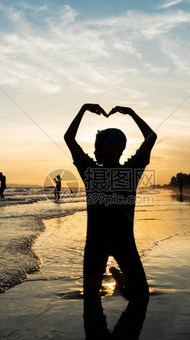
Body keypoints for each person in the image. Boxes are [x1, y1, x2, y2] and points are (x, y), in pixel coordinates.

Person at [64, 103, 157, 301]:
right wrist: (131, 113)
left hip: (118, 243)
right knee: (92, 298)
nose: (94, 152)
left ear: (112, 148)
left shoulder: (92, 171)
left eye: (98, 147)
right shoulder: (129, 171)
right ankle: (121, 279)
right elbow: (151, 138)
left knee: (141, 296)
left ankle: (121, 279)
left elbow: (69, 139)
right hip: (100, 244)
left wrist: (83, 110)